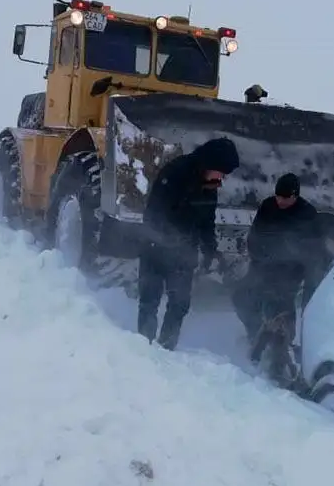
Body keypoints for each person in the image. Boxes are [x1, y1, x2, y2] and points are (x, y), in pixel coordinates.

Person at [137, 137, 240, 350]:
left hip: (183, 254)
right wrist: (168, 240)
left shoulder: (210, 185)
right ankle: (143, 348)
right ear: (211, 163)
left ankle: (166, 348)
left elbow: (206, 222)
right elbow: (154, 214)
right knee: (150, 299)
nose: (222, 179)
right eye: (222, 172)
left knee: (180, 304)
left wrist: (210, 250)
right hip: (155, 248)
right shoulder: (175, 173)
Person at [231, 172, 321, 381]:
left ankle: (279, 364)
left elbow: (313, 253)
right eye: (278, 196)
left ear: (295, 196)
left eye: (285, 198)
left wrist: (306, 278)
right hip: (262, 266)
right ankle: (257, 336)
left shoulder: (308, 215)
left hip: (289, 274)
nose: (279, 201)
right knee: (241, 297)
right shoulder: (268, 206)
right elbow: (254, 236)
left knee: (281, 314)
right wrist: (258, 258)